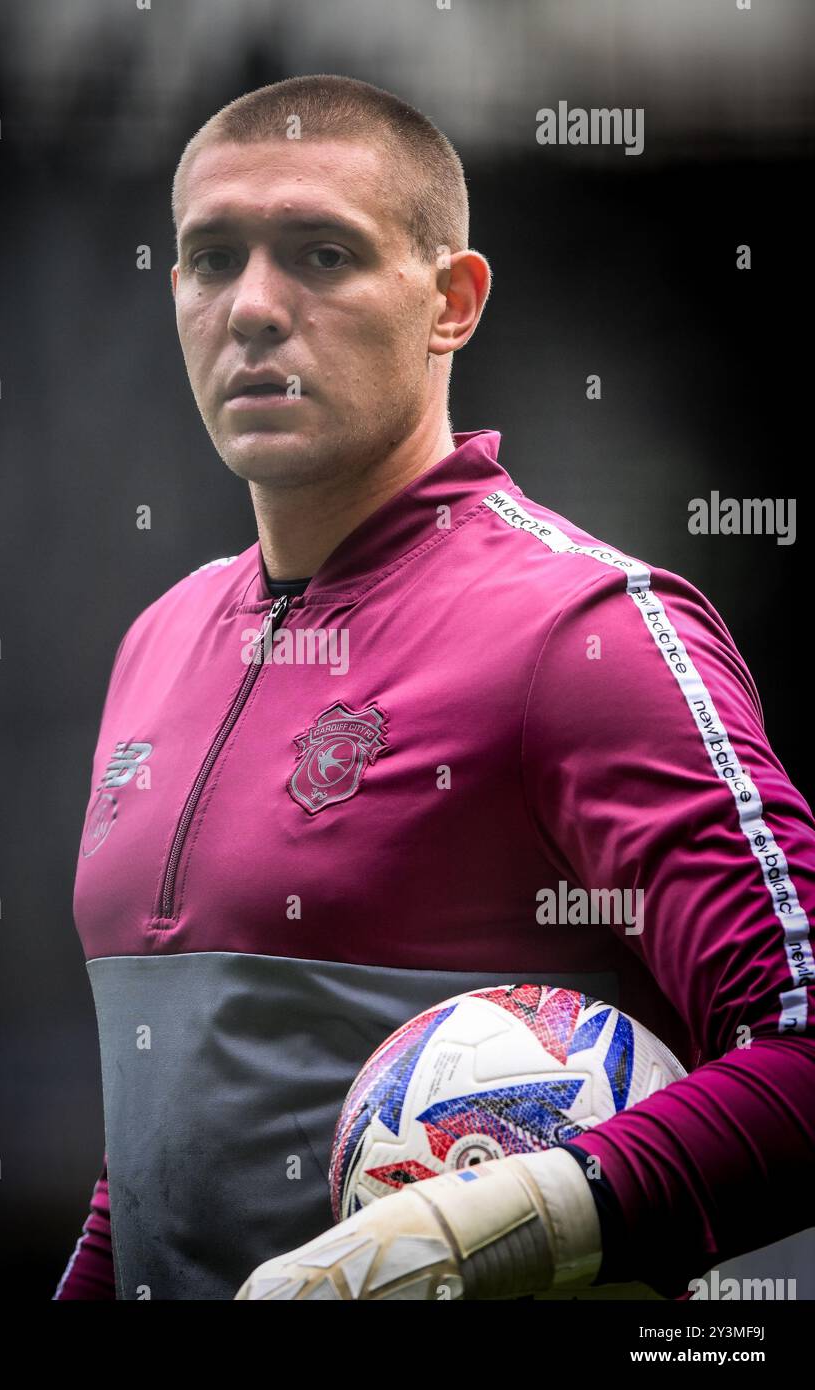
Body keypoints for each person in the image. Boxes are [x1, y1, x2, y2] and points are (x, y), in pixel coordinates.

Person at [53, 73, 814, 1301]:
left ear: (449, 303)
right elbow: (160, 1150)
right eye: (209, 259)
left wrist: (484, 1233)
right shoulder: (156, 639)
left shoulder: (586, 632)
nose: (251, 307)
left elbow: (800, 1047)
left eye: (319, 253)